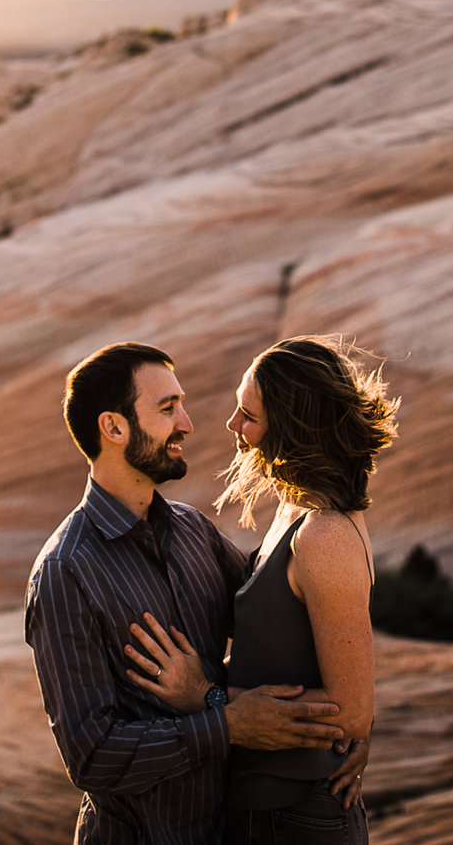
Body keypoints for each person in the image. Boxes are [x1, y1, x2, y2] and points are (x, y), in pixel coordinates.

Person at [27, 341, 354, 845]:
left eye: (181, 404)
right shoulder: (66, 571)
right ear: (113, 428)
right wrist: (226, 724)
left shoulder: (192, 530)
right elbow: (92, 755)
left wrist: (351, 724)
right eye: (167, 408)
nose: (188, 423)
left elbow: (273, 627)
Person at [124, 337, 396, 845]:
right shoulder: (295, 514)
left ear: (293, 428)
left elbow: (350, 708)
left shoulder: (324, 535)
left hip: (296, 817)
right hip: (267, 808)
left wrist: (205, 696)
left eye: (248, 415)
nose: (233, 427)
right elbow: (290, 659)